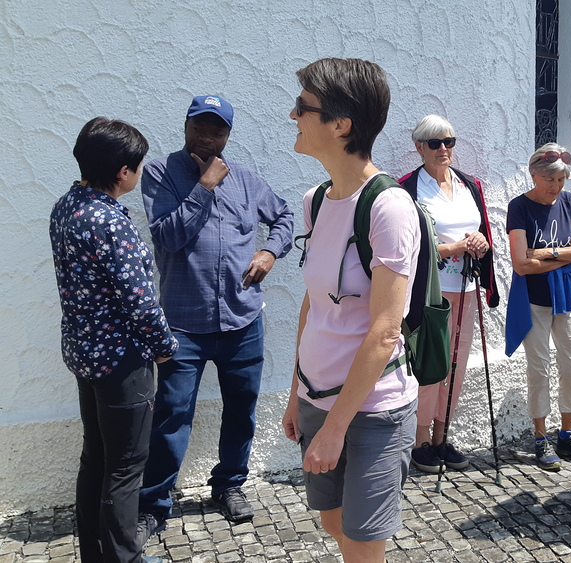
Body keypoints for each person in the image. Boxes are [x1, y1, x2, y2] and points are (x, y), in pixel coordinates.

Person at [137, 95, 294, 539]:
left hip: (242, 320)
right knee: (172, 415)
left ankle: (228, 486)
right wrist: (204, 187)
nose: (207, 138)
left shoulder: (245, 178)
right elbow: (168, 236)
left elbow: (284, 216)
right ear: (185, 126)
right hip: (183, 324)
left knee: (241, 410)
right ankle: (153, 504)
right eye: (200, 128)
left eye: (217, 130)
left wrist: (270, 251)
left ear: (228, 134)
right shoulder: (160, 173)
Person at [281, 57, 418, 563]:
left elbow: (385, 331)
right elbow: (314, 304)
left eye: (303, 107)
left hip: (373, 410)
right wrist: (296, 393)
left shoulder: (388, 207)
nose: (292, 115)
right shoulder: (315, 201)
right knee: (332, 521)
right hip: (316, 398)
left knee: (362, 544)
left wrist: (336, 428)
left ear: (341, 125)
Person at [51, 117, 177, 563]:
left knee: (96, 459)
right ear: (123, 171)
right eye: (137, 166)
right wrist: (165, 348)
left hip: (84, 354)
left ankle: (96, 554)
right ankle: (125, 558)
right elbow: (140, 303)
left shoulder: (66, 206)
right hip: (121, 362)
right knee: (124, 468)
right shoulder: (109, 221)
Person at [398, 114, 499, 473]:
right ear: (419, 147)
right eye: (434, 143)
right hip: (431, 294)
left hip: (466, 288)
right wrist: (454, 247)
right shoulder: (407, 188)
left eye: (449, 141)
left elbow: (483, 229)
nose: (443, 149)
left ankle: (442, 437)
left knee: (456, 365)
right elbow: (409, 246)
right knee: (431, 365)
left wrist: (481, 242)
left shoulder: (469, 184)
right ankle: (420, 440)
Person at [505, 143, 571, 471]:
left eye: (561, 180)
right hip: (533, 299)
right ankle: (541, 436)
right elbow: (520, 264)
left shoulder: (570, 202)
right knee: (540, 368)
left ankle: (567, 433)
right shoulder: (519, 207)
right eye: (550, 180)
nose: (556, 187)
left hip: (566, 296)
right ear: (534, 176)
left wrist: (547, 253)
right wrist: (568, 254)